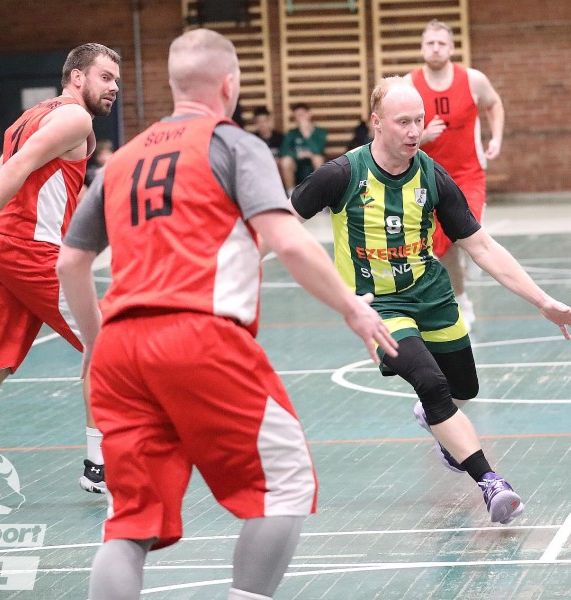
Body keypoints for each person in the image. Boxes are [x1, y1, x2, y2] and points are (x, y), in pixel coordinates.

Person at [55, 29, 396, 600]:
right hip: (198, 335)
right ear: (229, 84)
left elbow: (71, 262)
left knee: (129, 523)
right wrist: (351, 309)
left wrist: (95, 343)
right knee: (286, 484)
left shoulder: (122, 159)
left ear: (173, 84)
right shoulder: (234, 145)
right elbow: (287, 241)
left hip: (119, 351)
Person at [291, 76, 571, 525]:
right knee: (431, 384)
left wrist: (542, 301)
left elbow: (482, 246)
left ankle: (439, 423)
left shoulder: (432, 176)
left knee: (463, 389)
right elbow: (279, 222)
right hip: (378, 306)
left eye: (419, 120)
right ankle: (491, 483)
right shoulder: (341, 175)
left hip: (433, 296)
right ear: (377, 122)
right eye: (403, 122)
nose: (414, 131)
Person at [0, 43, 122, 506]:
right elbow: (13, 168)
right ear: (77, 77)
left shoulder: (30, 116)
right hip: (30, 250)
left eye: (116, 80)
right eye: (106, 77)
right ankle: (101, 467)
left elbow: (3, 173)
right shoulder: (75, 119)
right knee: (108, 346)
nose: (114, 87)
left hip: (1, 248)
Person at [405, 19, 505, 328]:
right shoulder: (408, 86)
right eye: (430, 43)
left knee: (464, 233)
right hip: (428, 177)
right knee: (444, 246)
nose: (435, 48)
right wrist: (422, 136)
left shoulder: (473, 80)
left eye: (441, 43)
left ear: (451, 48)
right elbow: (392, 132)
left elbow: (494, 104)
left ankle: (470, 247)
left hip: (468, 174)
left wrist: (496, 138)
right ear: (422, 47)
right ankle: (461, 300)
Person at [279, 102, 327, 193]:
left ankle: (319, 192)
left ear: (309, 115)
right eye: (297, 116)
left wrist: (306, 135)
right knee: (285, 161)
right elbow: (283, 151)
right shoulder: (292, 133)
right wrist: (297, 155)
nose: (300, 118)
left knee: (318, 159)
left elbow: (319, 151)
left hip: (313, 167)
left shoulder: (320, 132)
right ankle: (291, 194)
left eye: (302, 115)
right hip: (297, 167)